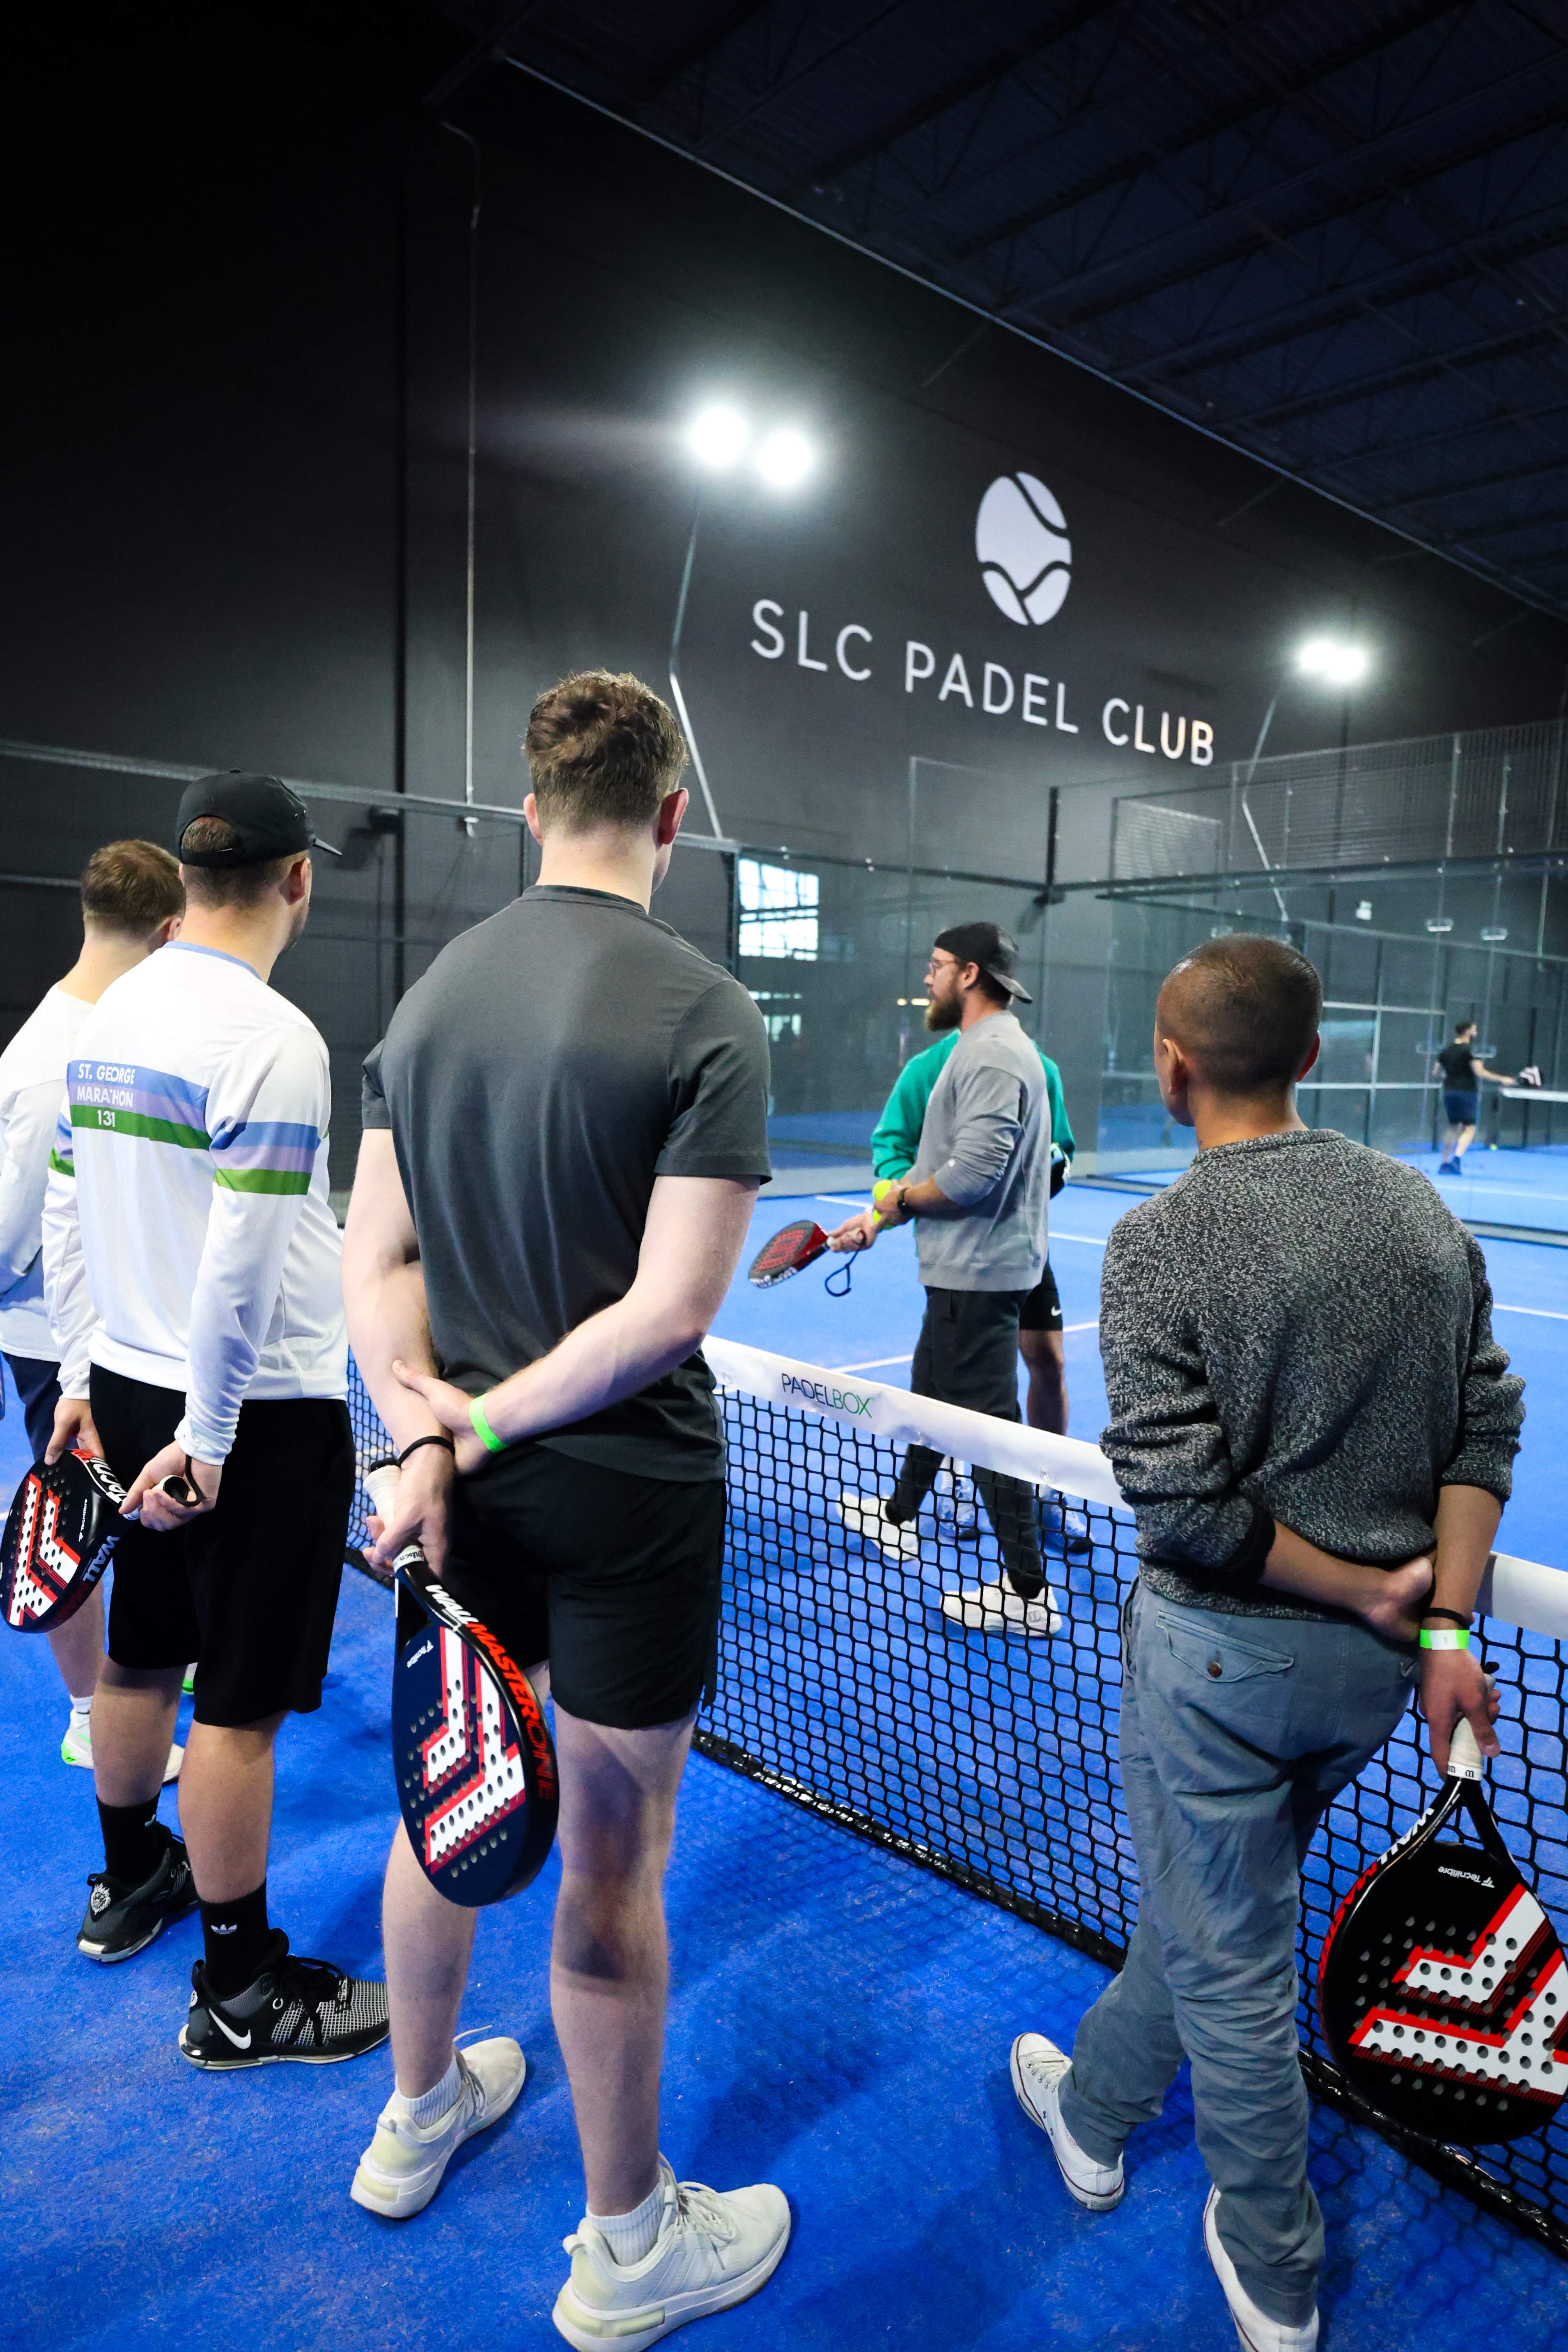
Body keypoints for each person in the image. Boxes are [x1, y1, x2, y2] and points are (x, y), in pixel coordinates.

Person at [341, 671, 790, 2346]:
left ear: (530, 809)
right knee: (611, 1869)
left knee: (441, 1800)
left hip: (453, 1497)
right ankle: (624, 2251)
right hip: (625, 1502)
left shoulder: (427, 998)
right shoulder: (706, 1011)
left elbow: (376, 1260)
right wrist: (478, 1420)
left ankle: (415, 2111)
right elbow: (671, 1312)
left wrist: (426, 1437)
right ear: (670, 814)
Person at [1010, 935, 1522, 2352]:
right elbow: (1482, 1423)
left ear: (1171, 1069)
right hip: (1362, 1686)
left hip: (1219, 1668)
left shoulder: (1153, 1239)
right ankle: (1094, 2103)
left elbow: (1180, 1500)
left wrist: (1371, 1596)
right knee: (1206, 1901)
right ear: (1307, 1059)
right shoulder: (1415, 1210)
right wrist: (1429, 1620)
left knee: (1232, 1962)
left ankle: (1271, 2262)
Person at [42, 771, 389, 2073]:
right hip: (250, 1416)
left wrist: (81, 1380)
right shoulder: (274, 1040)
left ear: (188, 880)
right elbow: (241, 1265)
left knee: (143, 1650)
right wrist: (218, 1436)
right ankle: (243, 1987)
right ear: (297, 878)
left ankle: (131, 1878)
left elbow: (66, 1213)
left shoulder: (108, 1010)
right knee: (236, 1705)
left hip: (131, 1390)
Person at [0, 841, 185, 1773]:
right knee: (71, 1531)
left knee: (137, 1518)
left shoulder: (104, 1030)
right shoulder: (54, 1060)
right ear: (167, 931)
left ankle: (137, 1677)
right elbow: (6, 1232)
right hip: (53, 1344)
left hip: (109, 1335)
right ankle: (87, 1716)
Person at [827, 922, 1055, 1637]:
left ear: (968, 973)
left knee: (987, 1434)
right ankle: (898, 1515)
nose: (925, 979)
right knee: (931, 1393)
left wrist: (893, 1201)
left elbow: (971, 1177)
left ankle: (1027, 1589)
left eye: (934, 967)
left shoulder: (991, 1056)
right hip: (967, 1270)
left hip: (979, 1278)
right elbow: (943, 1171)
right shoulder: (978, 1050)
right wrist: (877, 1219)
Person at [868, 1011, 1088, 1553]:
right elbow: (890, 1149)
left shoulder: (1038, 1067)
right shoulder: (926, 1071)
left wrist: (1026, 1184)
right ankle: (960, 1490)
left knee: (1044, 1361)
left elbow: (1060, 1148)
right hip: (964, 1260)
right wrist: (897, 1201)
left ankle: (1047, 1485)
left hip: (1022, 1246)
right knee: (958, 1390)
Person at [1433, 1018, 1515, 1174]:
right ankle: (1456, 1160)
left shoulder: (1446, 1051)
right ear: (1468, 1032)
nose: (1476, 1032)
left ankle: (1444, 1163)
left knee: (1453, 1127)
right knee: (1469, 1128)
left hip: (1449, 1092)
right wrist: (1503, 1079)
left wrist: (1451, 1079)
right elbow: (1480, 1072)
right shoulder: (1469, 1051)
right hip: (1466, 1093)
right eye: (1475, 1029)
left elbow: (1436, 1074)